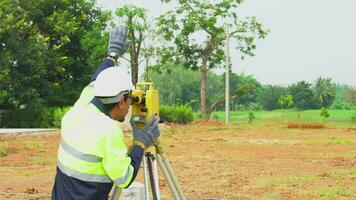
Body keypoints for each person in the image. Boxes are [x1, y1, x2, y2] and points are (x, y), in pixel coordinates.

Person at [51, 25, 160, 200]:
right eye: (131, 99)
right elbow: (124, 178)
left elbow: (97, 80)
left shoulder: (82, 105)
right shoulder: (108, 131)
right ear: (122, 101)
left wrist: (112, 55)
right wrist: (140, 143)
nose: (132, 104)